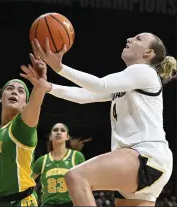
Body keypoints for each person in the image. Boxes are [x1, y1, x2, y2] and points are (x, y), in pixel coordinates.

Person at [22, 33, 176, 206]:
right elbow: (86, 95)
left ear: (148, 53)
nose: (129, 39)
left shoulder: (145, 71)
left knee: (76, 176)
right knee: (77, 177)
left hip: (145, 155)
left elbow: (99, 84)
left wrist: (60, 68)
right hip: (149, 163)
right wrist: (48, 87)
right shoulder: (130, 80)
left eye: (138, 39)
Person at [0, 54, 49, 207]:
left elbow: (35, 104)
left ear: (24, 104)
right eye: (10, 89)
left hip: (21, 202)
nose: (14, 92)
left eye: (21, 91)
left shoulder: (21, 128)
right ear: (1, 97)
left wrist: (40, 87)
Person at [33, 123, 85, 207]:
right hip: (47, 204)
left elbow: (85, 184)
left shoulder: (77, 156)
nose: (58, 132)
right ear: (50, 136)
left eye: (62, 130)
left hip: (70, 204)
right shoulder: (42, 160)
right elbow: (26, 181)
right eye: (55, 130)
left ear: (67, 137)